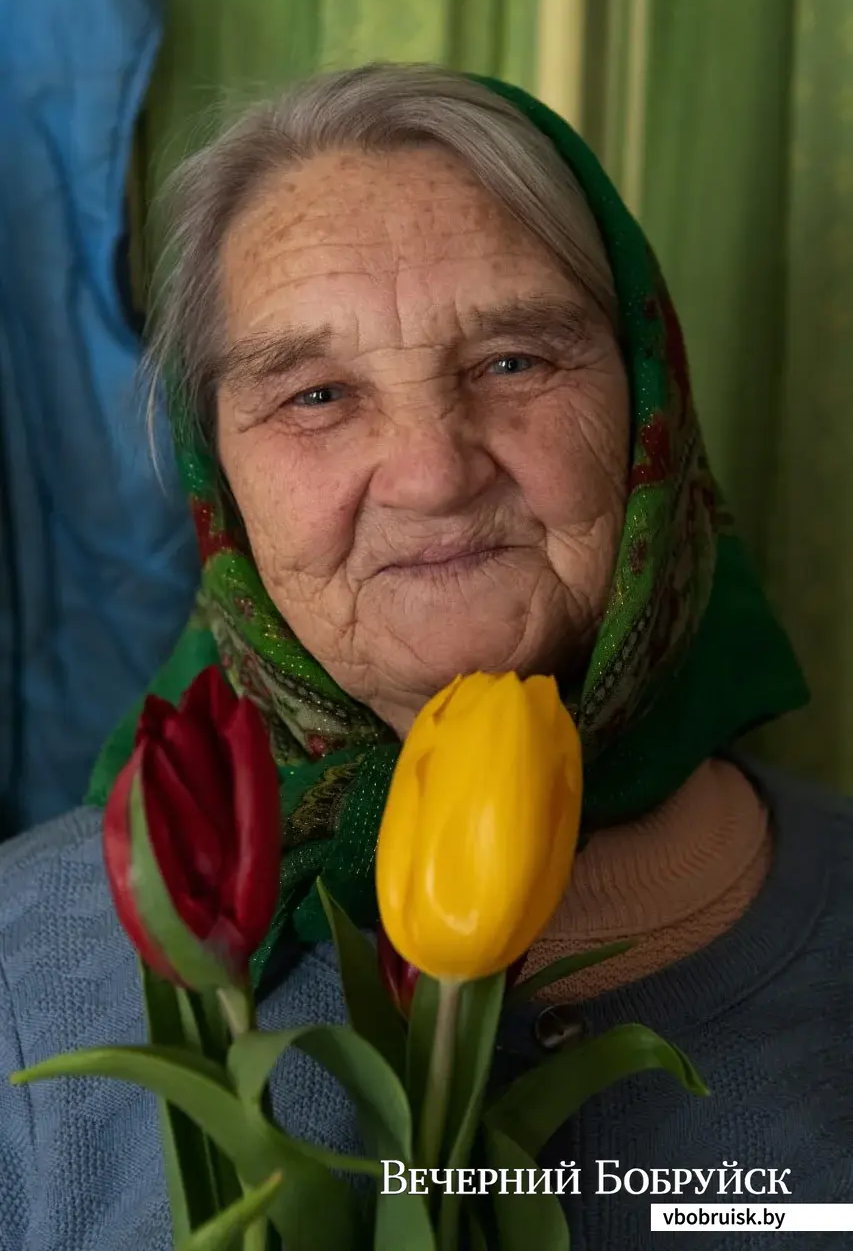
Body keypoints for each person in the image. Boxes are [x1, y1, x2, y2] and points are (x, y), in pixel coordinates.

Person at [0, 62, 851, 1251]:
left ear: (651, 400)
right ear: (219, 482)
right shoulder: (20, 978)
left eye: (513, 361)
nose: (433, 471)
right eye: (316, 392)